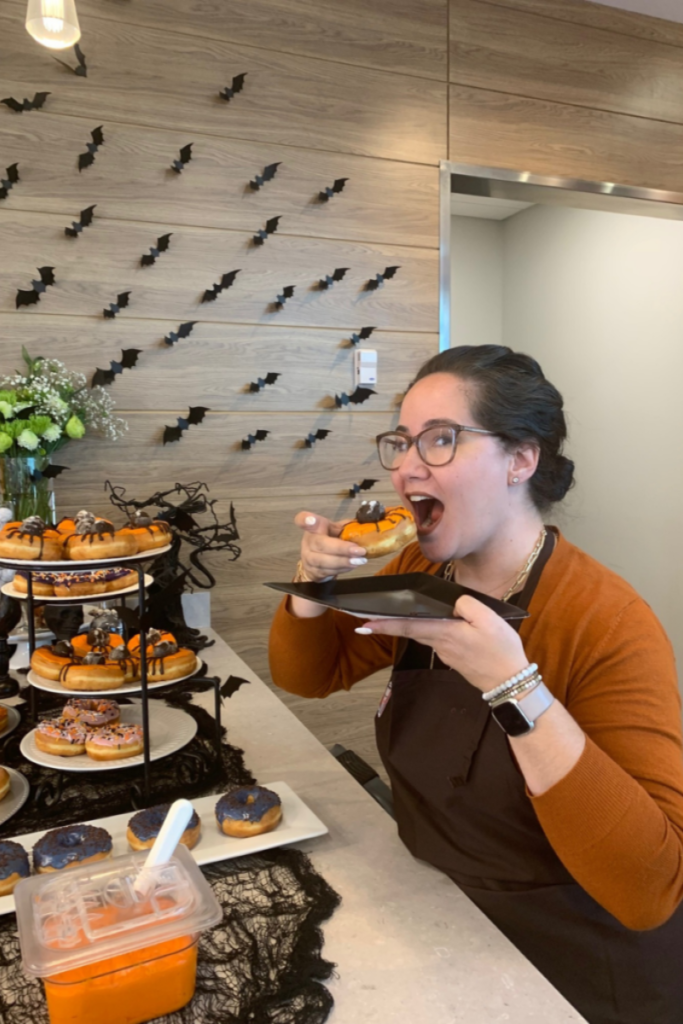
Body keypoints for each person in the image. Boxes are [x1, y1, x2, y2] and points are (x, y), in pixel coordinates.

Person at [269, 345, 683, 1024]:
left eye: (440, 441)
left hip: (575, 967)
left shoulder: (604, 620)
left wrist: (516, 688)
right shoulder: (417, 569)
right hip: (440, 919)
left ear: (521, 459)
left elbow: (647, 889)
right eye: (402, 443)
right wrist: (312, 591)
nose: (406, 468)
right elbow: (307, 676)